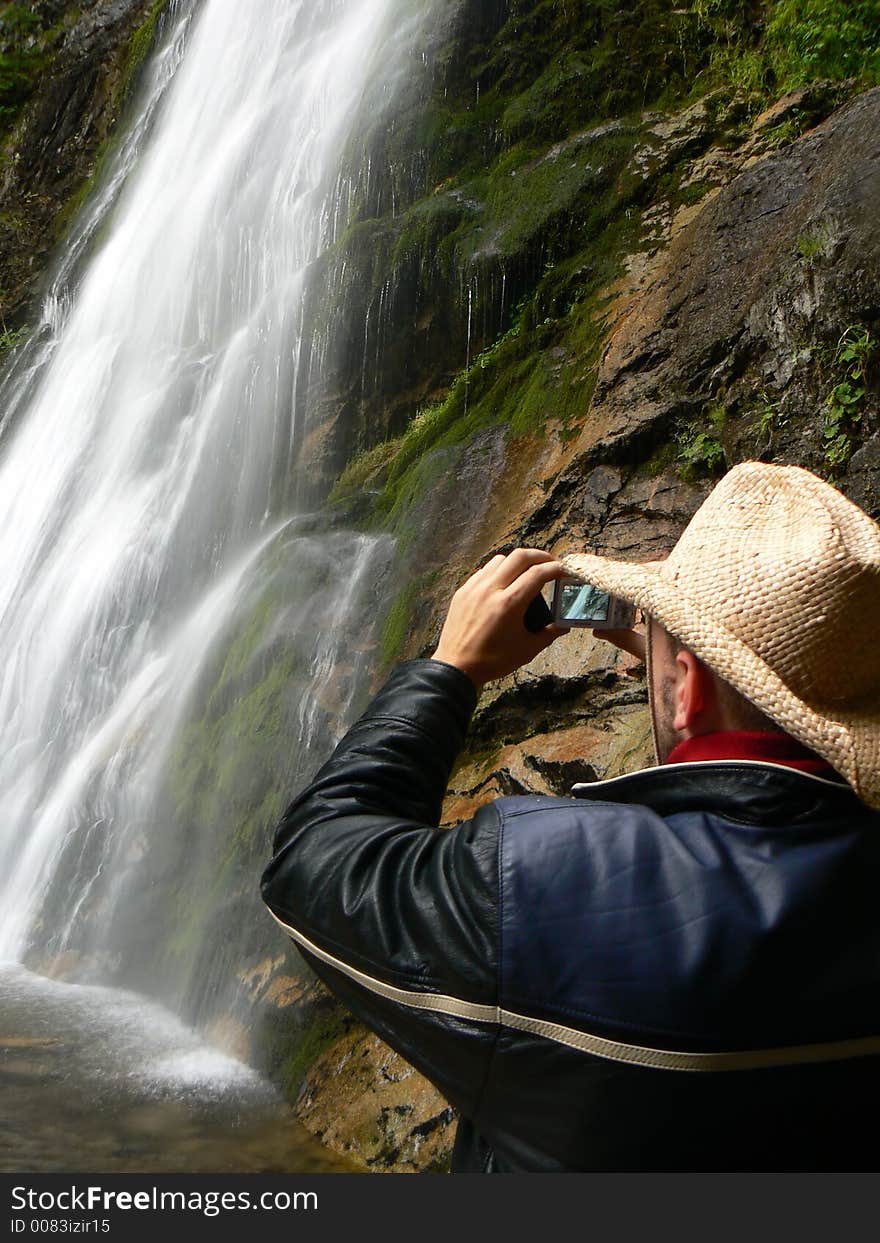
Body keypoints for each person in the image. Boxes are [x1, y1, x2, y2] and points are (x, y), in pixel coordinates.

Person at [260, 461, 880, 1172]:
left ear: (688, 691)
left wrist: (449, 669)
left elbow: (312, 863)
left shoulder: (541, 879)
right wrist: (679, 660)